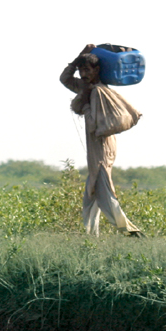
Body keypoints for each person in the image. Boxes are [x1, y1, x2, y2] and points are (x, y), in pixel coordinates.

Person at [60, 44, 144, 237]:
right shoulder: (85, 87)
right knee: (91, 194)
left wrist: (86, 105)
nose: (82, 74)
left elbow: (94, 127)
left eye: (86, 70)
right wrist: (79, 57)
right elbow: (64, 79)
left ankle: (132, 233)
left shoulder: (98, 92)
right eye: (81, 70)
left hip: (102, 147)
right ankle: (90, 238)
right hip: (97, 147)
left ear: (97, 70)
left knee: (103, 192)